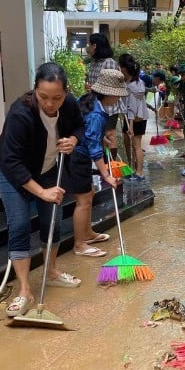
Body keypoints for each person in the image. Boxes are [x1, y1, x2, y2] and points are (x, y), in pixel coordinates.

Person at [0, 62, 85, 317]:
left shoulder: (68, 104)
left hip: (47, 169)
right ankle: (24, 290)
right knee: (20, 224)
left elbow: (79, 125)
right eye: (43, 96)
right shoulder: (20, 113)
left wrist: (73, 140)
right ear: (35, 89)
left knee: (52, 221)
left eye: (57, 97)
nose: (50, 103)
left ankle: (52, 272)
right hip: (14, 173)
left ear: (65, 93)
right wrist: (42, 192)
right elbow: (11, 161)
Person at [73, 69, 126, 257]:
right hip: (79, 158)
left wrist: (99, 137)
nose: (118, 99)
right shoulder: (96, 112)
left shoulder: (89, 100)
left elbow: (86, 130)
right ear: (108, 92)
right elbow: (94, 148)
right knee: (83, 201)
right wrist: (106, 175)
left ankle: (87, 233)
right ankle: (79, 244)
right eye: (117, 95)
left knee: (89, 194)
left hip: (79, 154)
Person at [84, 33, 123, 158]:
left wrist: (94, 87)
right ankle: (105, 166)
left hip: (108, 105)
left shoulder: (109, 63)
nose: (87, 47)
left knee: (109, 134)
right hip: (96, 104)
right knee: (100, 135)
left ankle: (113, 165)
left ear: (95, 46)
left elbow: (114, 87)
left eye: (89, 44)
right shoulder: (94, 62)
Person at [119, 54, 148, 181]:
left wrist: (130, 125)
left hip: (135, 118)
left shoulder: (131, 86)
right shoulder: (137, 82)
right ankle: (132, 168)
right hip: (135, 117)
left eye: (120, 66)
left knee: (136, 144)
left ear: (124, 68)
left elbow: (131, 106)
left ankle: (139, 172)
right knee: (129, 142)